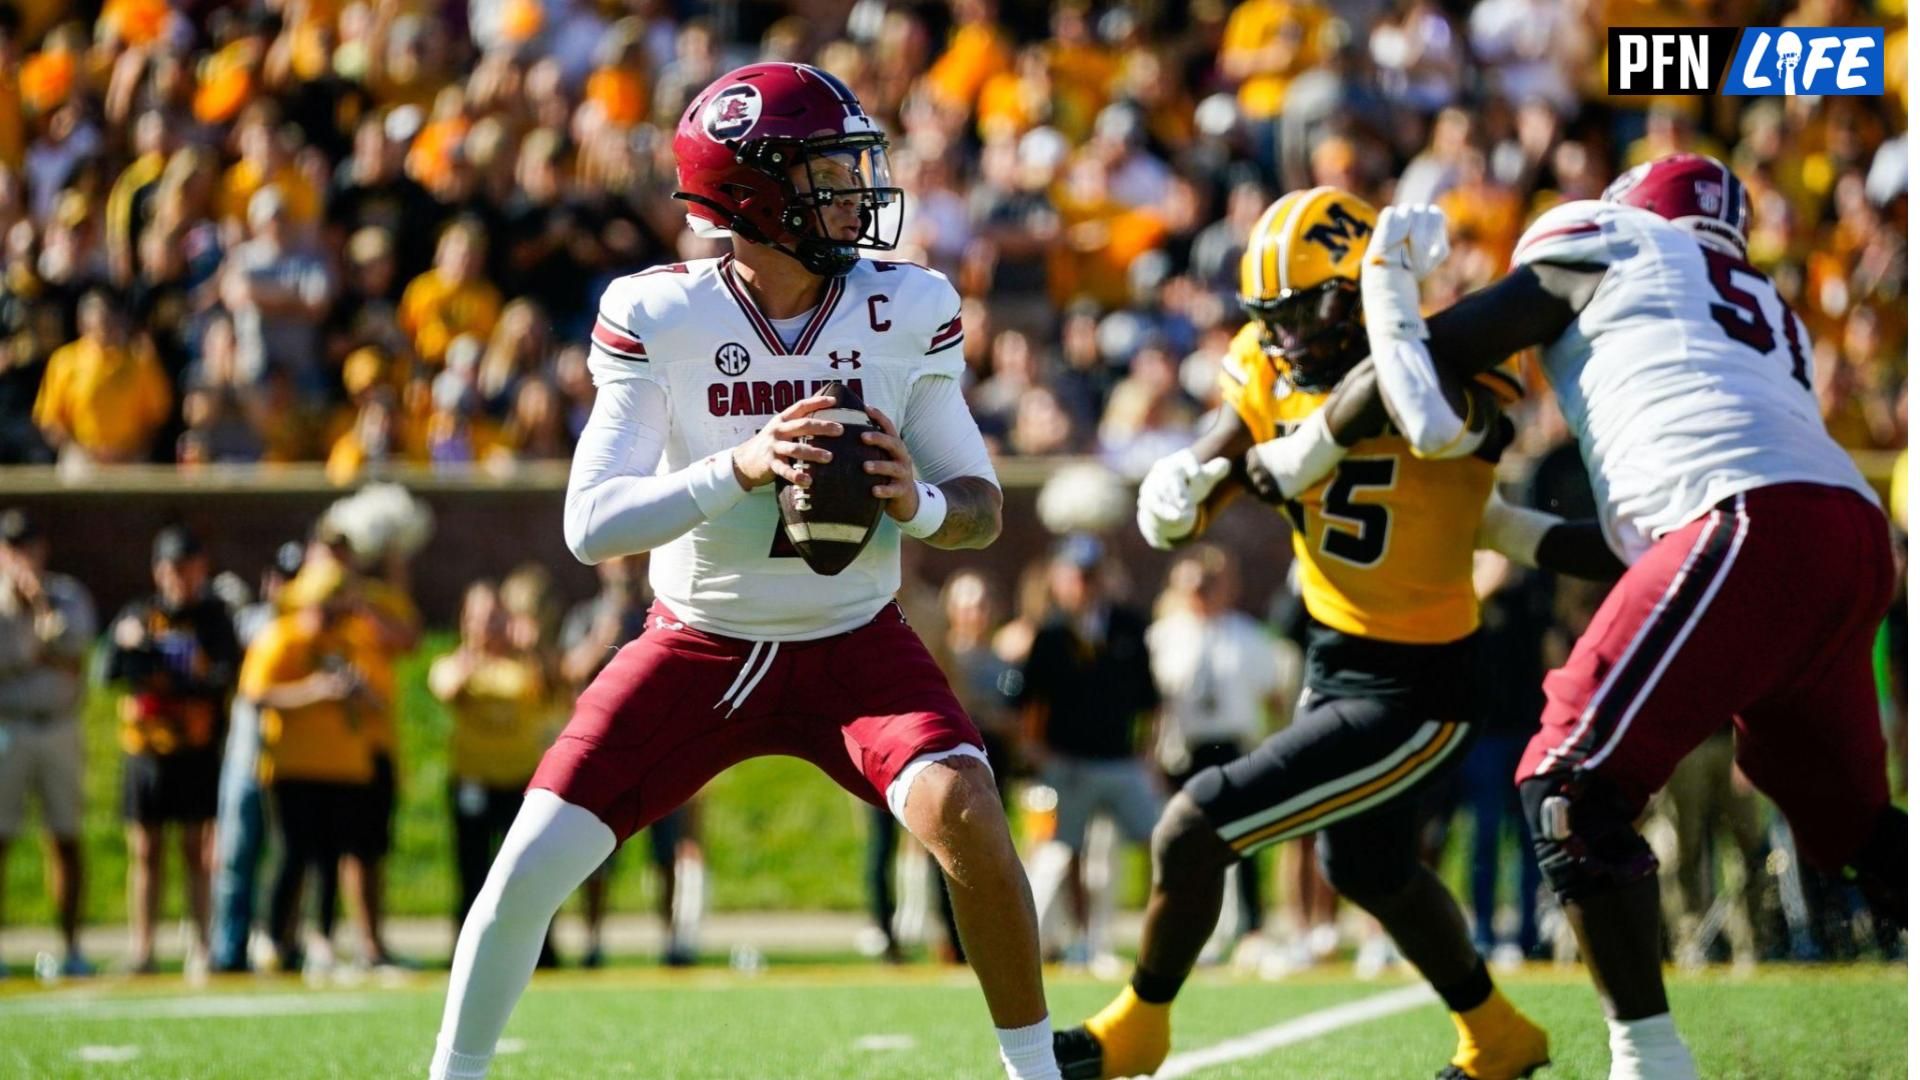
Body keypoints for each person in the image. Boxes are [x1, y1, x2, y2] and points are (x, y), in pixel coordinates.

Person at [432, 63, 1058, 1080]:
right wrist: (743, 463)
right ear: (753, 192)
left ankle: (1034, 1071)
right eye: (826, 171)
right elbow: (591, 527)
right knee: (527, 866)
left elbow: (981, 506)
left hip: (859, 643)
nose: (857, 190)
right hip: (695, 643)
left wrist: (922, 503)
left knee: (966, 808)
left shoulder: (907, 306)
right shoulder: (662, 314)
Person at [1243, 154, 1905, 1079]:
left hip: (1744, 520)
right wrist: (1503, 527)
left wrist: (1379, 296)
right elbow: (1625, 543)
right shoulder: (1770, 313)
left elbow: (1423, 397)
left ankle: (1650, 1061)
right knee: (1860, 834)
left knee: (1568, 789)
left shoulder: (1609, 240)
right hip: (1849, 540)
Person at [1059, 187, 1616, 1080]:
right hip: (1333, 652)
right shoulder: (1270, 362)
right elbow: (1230, 445)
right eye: (1270, 319)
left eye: (1305, 314)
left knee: (1195, 826)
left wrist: (1290, 451)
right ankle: (1501, 1039)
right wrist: (1187, 475)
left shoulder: (1450, 371)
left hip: (1417, 686)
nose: (1284, 340)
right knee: (1370, 865)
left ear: (1360, 297)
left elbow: (1409, 410)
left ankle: (1140, 1027)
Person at [102, 526, 241, 975]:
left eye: (188, 568)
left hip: (195, 747)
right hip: (147, 750)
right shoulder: (140, 614)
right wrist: (125, 644)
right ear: (159, 571)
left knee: (197, 851)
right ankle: (143, 948)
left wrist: (159, 661)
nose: (180, 578)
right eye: (172, 569)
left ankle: (201, 944)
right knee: (146, 849)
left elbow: (221, 677)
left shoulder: (214, 619)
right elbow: (109, 672)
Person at [1018, 535, 1163, 967]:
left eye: (1089, 576)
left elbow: (1151, 702)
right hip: (1070, 765)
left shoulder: (1128, 625)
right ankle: (1079, 941)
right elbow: (1030, 706)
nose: (1082, 585)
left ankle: (1164, 933)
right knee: (1064, 853)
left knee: (1162, 844)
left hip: (1121, 762)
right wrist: (1040, 756)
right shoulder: (1049, 635)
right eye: (1075, 576)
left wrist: (1148, 756)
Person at [1146, 544, 1291, 958]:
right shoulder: (1162, 637)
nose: (1200, 592)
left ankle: (1249, 929)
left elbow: (1274, 700)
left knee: (1238, 843)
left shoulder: (1247, 636)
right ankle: (1187, 929)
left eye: (1209, 584)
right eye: (1192, 583)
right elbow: (1153, 704)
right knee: (1184, 845)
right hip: (1182, 752)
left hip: (1232, 749)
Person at [238, 561, 381, 973]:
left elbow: (379, 702)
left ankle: (322, 939)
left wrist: (356, 691)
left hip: (342, 765)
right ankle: (274, 937)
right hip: (293, 765)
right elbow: (255, 693)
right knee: (291, 854)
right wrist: (313, 691)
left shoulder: (352, 639)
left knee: (330, 857)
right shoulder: (282, 637)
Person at [0, 509, 96, 978]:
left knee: (66, 838)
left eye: (28, 546)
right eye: (12, 547)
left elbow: (75, 651)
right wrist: (38, 649)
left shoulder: (66, 595)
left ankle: (71, 947)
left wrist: (39, 609)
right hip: (9, 725)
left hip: (59, 725)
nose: (22, 556)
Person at [210, 539, 305, 973]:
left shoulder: (309, 629)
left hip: (293, 760)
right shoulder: (255, 623)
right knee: (237, 855)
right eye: (282, 579)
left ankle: (281, 942)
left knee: (289, 860)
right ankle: (228, 946)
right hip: (248, 756)